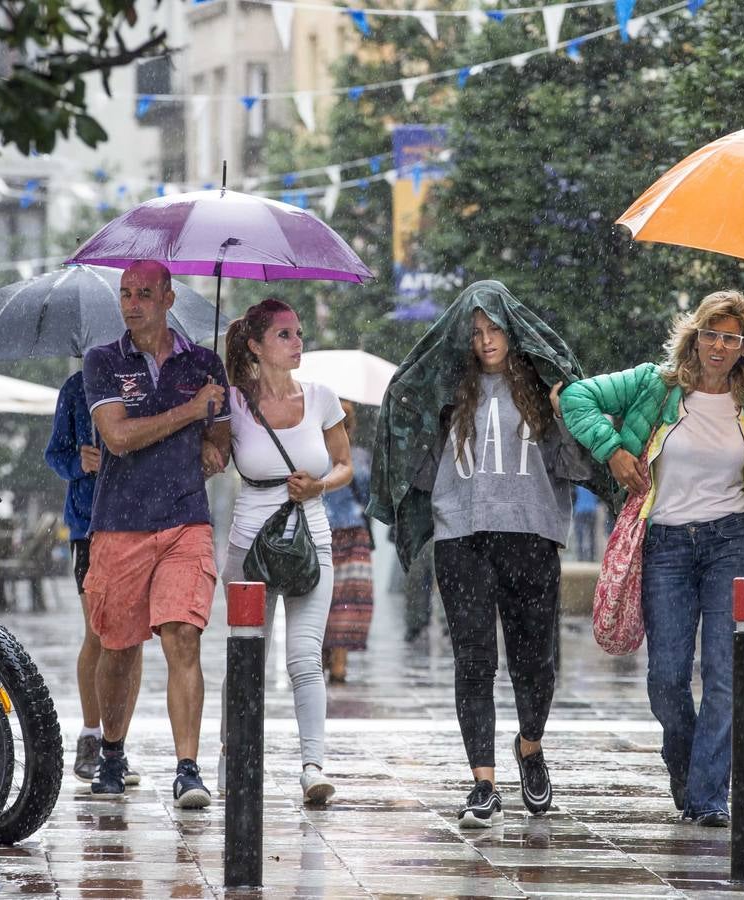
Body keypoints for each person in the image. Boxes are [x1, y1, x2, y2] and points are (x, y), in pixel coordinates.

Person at [368, 280, 612, 827]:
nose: (485, 340)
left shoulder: (545, 388)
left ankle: (529, 747)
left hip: (531, 534)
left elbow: (577, 460)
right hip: (463, 537)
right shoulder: (449, 389)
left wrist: (567, 411)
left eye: (494, 328)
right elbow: (407, 420)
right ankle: (483, 782)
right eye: (475, 331)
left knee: (536, 661)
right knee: (474, 661)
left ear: (513, 330)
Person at [560, 290, 744, 828]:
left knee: (723, 674)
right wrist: (613, 451)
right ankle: (685, 764)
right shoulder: (655, 385)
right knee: (666, 678)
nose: (718, 345)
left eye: (730, 338)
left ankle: (709, 795)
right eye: (710, 333)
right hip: (664, 544)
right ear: (695, 335)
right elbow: (575, 398)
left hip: (732, 542)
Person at [81, 259, 231, 808]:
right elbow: (118, 437)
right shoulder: (102, 361)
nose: (132, 302)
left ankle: (187, 769)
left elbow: (219, 435)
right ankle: (113, 752)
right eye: (125, 293)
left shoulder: (205, 362)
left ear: (169, 298)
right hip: (120, 523)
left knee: (182, 637)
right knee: (117, 650)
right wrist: (190, 411)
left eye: (145, 292)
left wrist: (216, 441)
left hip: (186, 519)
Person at [212, 298, 351, 804]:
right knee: (247, 656)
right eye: (285, 335)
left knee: (304, 657)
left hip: (311, 538)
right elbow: (211, 454)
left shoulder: (320, 397)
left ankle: (313, 766)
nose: (298, 342)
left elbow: (343, 465)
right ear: (256, 345)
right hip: (249, 543)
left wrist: (318, 486)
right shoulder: (232, 401)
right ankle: (233, 755)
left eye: (298, 333)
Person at [45, 370, 143, 785]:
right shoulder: (75, 387)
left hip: (141, 522)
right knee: (100, 634)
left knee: (132, 638)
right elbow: (55, 454)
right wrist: (78, 461)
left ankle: (116, 745)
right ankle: (91, 732)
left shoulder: (145, 383)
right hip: (89, 526)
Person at [321, 400, 374, 683]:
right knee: (346, 601)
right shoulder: (359, 458)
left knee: (324, 599)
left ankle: (324, 659)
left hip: (325, 532)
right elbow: (368, 497)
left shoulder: (314, 456)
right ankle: (338, 664)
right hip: (350, 533)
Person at [571, 486, 599, 561]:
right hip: (592, 510)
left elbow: (573, 497)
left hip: (580, 510)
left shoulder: (578, 484)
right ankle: (591, 557)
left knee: (579, 535)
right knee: (592, 535)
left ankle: (580, 557)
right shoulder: (593, 484)